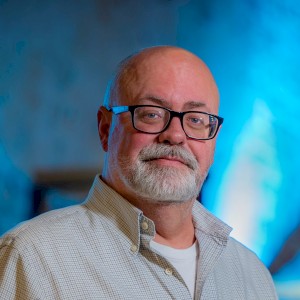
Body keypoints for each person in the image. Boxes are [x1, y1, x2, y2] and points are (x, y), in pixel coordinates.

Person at [0, 46, 278, 299]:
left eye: (195, 120)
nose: (175, 135)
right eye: (151, 114)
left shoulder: (252, 275)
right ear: (106, 129)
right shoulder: (31, 258)